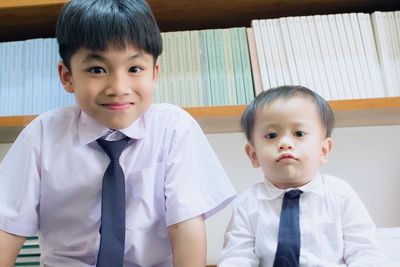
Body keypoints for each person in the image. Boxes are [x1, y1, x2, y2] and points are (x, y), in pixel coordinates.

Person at [0, 0, 236, 266]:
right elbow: (6, 229)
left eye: (134, 69)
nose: (118, 87)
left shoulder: (173, 127)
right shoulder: (42, 135)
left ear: (154, 73)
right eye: (97, 70)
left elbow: (185, 228)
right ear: (67, 76)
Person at [218, 85, 384, 266]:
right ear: (253, 155)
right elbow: (236, 256)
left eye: (299, 133)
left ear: (323, 150)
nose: (285, 143)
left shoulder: (340, 195)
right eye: (271, 135)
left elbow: (365, 252)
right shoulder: (247, 202)